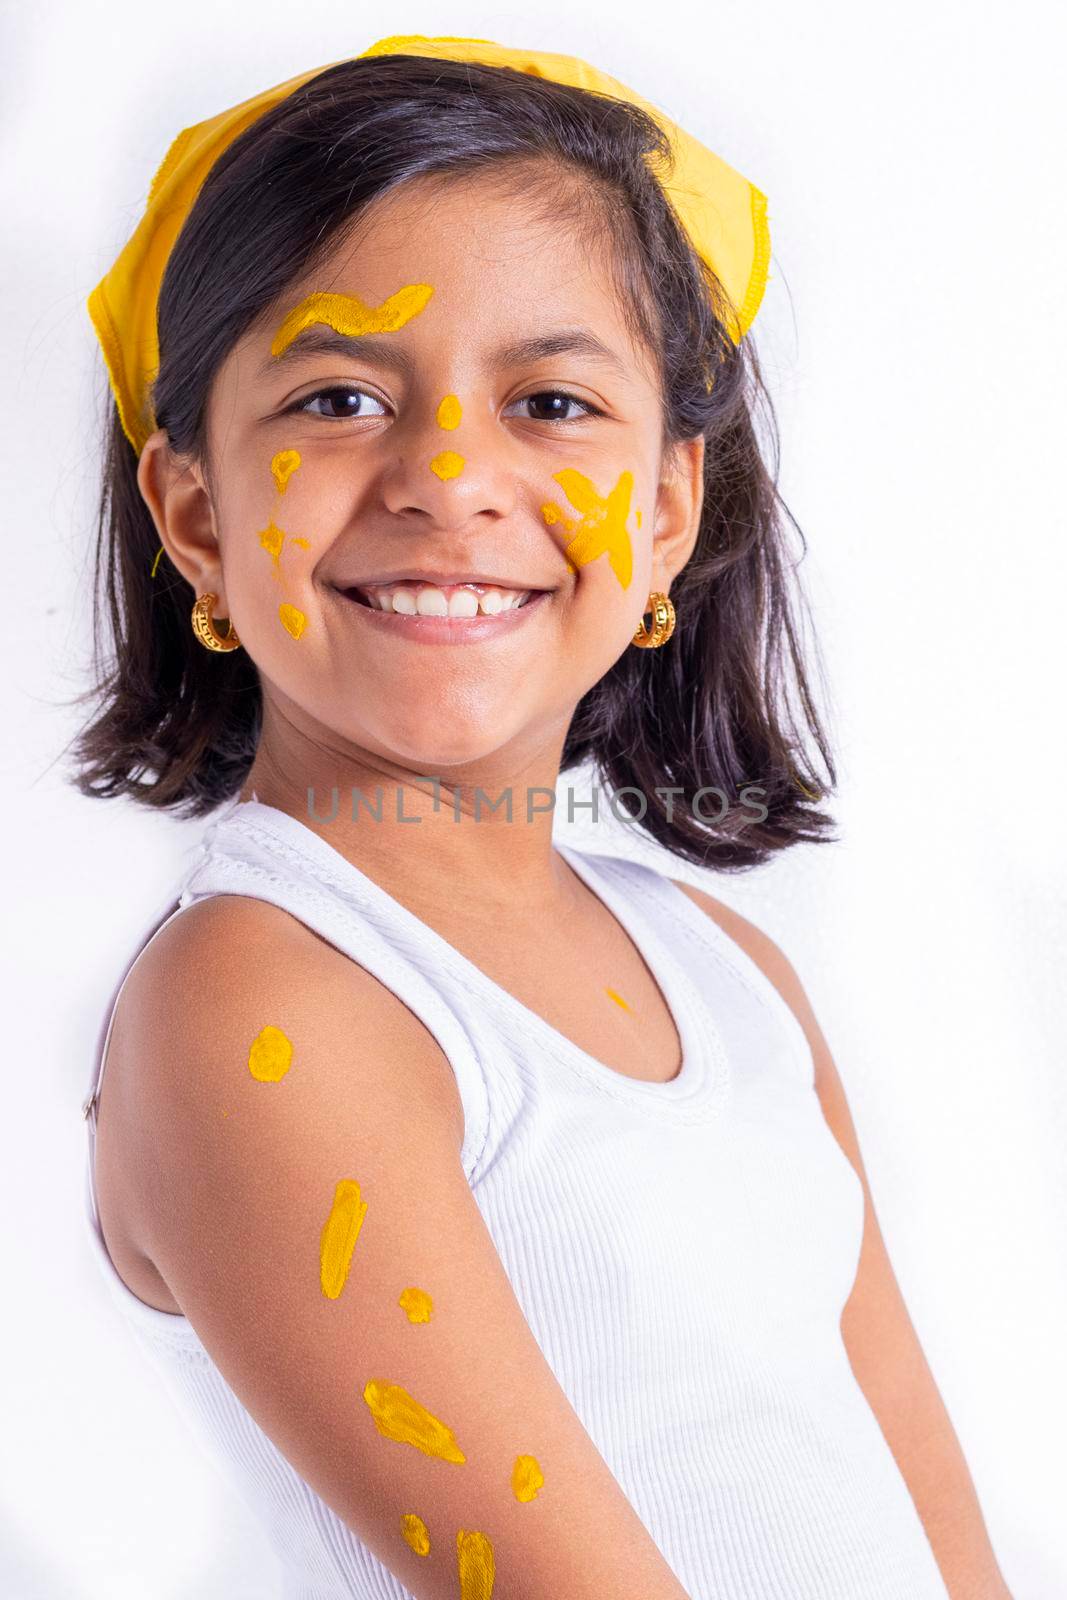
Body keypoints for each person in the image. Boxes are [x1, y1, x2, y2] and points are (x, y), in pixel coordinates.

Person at [70, 34, 1011, 1600]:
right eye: (343, 395)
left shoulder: (721, 966)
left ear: (663, 514)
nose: (449, 478)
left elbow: (937, 1535)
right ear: (198, 518)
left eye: (554, 400)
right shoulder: (258, 1002)